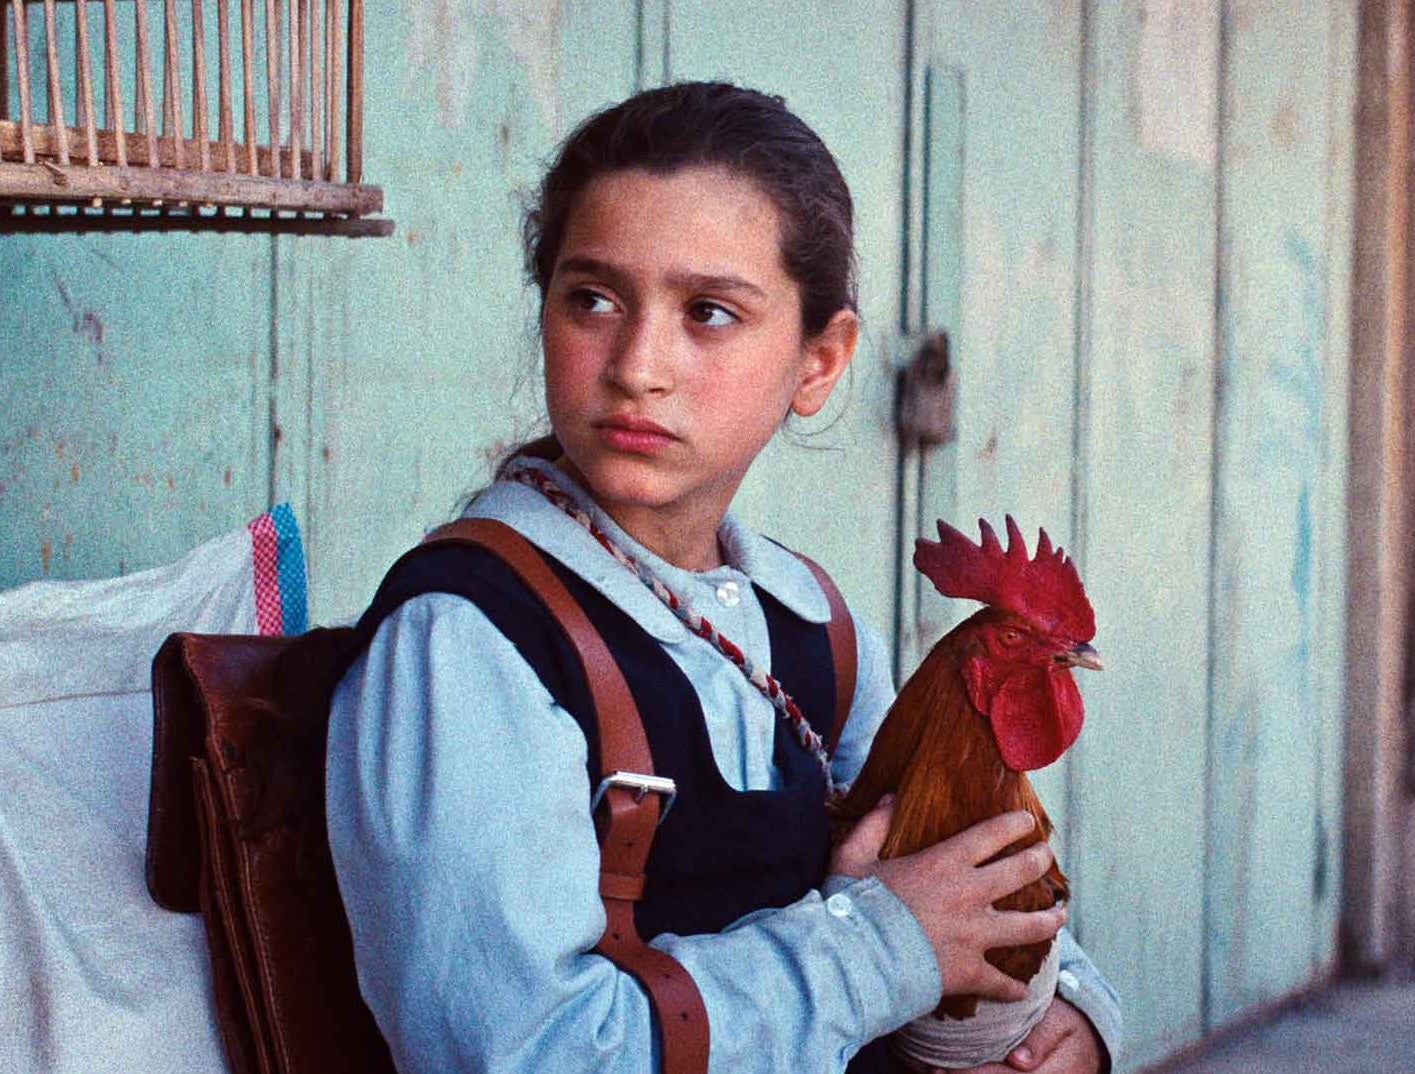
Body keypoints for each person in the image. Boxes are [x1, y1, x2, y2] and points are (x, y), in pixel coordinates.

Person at [325, 81, 1122, 1074]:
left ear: (819, 361)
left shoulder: (809, 623)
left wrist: (1074, 1016)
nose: (637, 364)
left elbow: (954, 860)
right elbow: (516, 1052)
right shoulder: (470, 641)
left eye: (708, 311)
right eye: (593, 299)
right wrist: (879, 947)